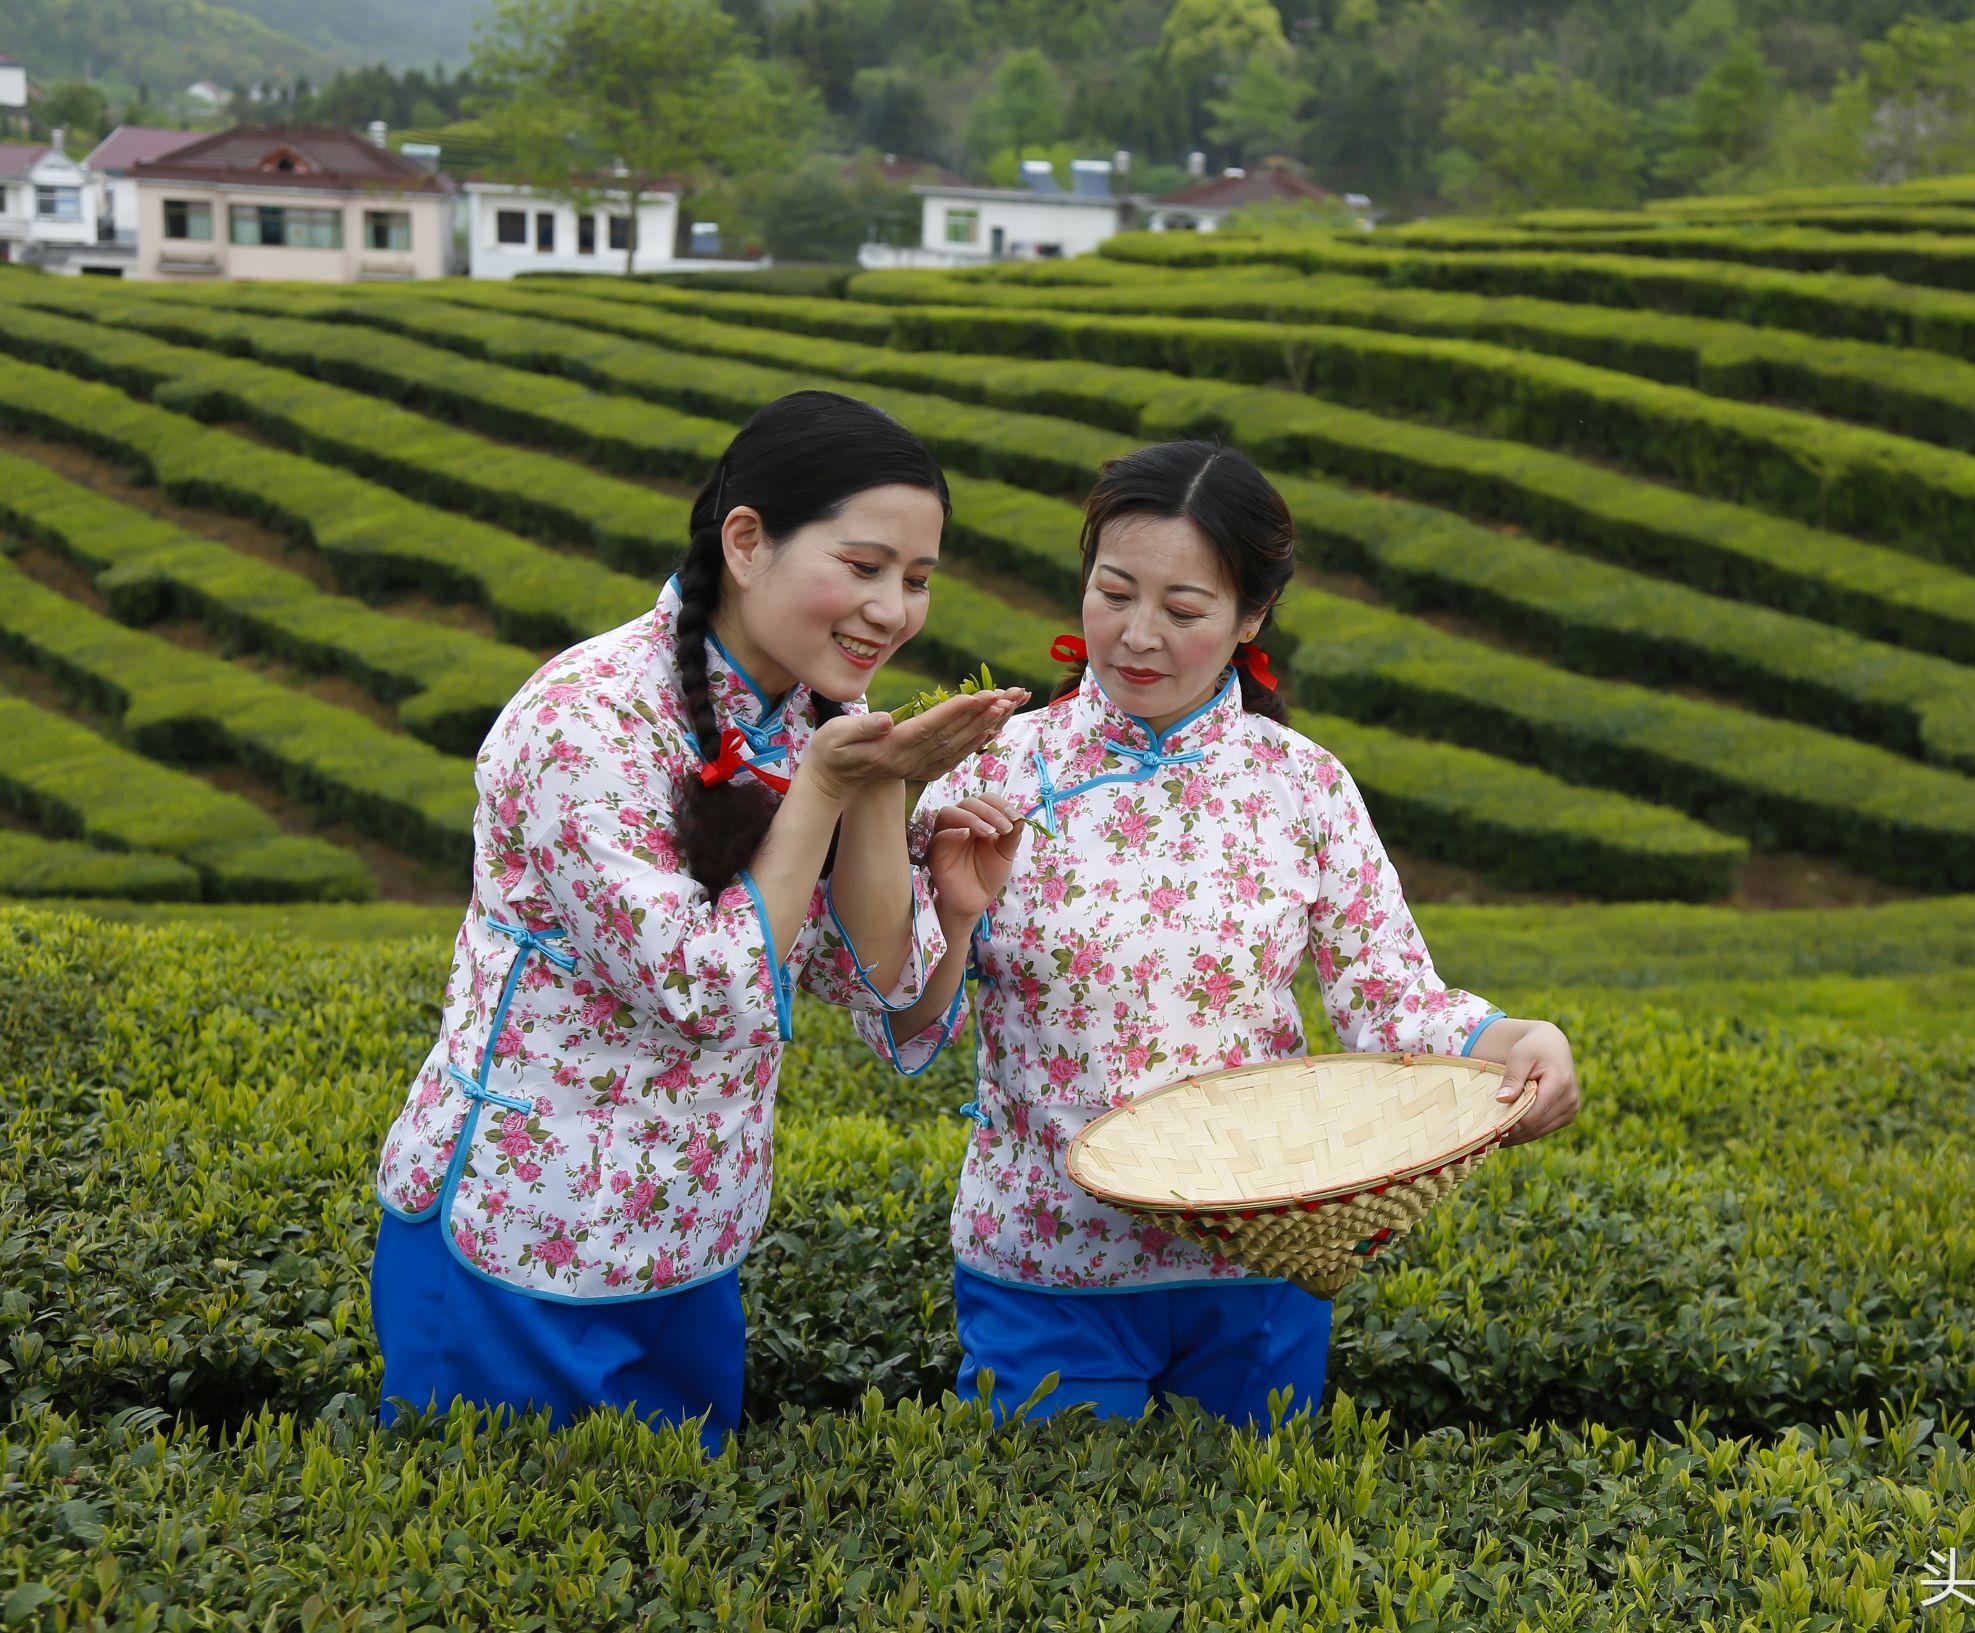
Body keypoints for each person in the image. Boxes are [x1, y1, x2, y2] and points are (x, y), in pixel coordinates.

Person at [370, 390, 1028, 1455]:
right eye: (862, 568)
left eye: (915, 581)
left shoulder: (815, 717)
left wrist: (914, 845)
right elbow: (705, 990)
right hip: (521, 1237)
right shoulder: (584, 721)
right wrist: (826, 787)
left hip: (692, 1242)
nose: (893, 610)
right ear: (746, 540)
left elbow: (889, 1010)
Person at [879, 440, 1581, 1427]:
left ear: (1249, 618)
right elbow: (904, 1028)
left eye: (1184, 609)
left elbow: (1395, 1003)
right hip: (1046, 1265)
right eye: (1113, 591)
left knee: (1250, 1559)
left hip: (1259, 1271)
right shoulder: (993, 775)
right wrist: (950, 908)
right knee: (1048, 1556)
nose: (1136, 635)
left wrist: (1522, 1044)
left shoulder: (1301, 784)